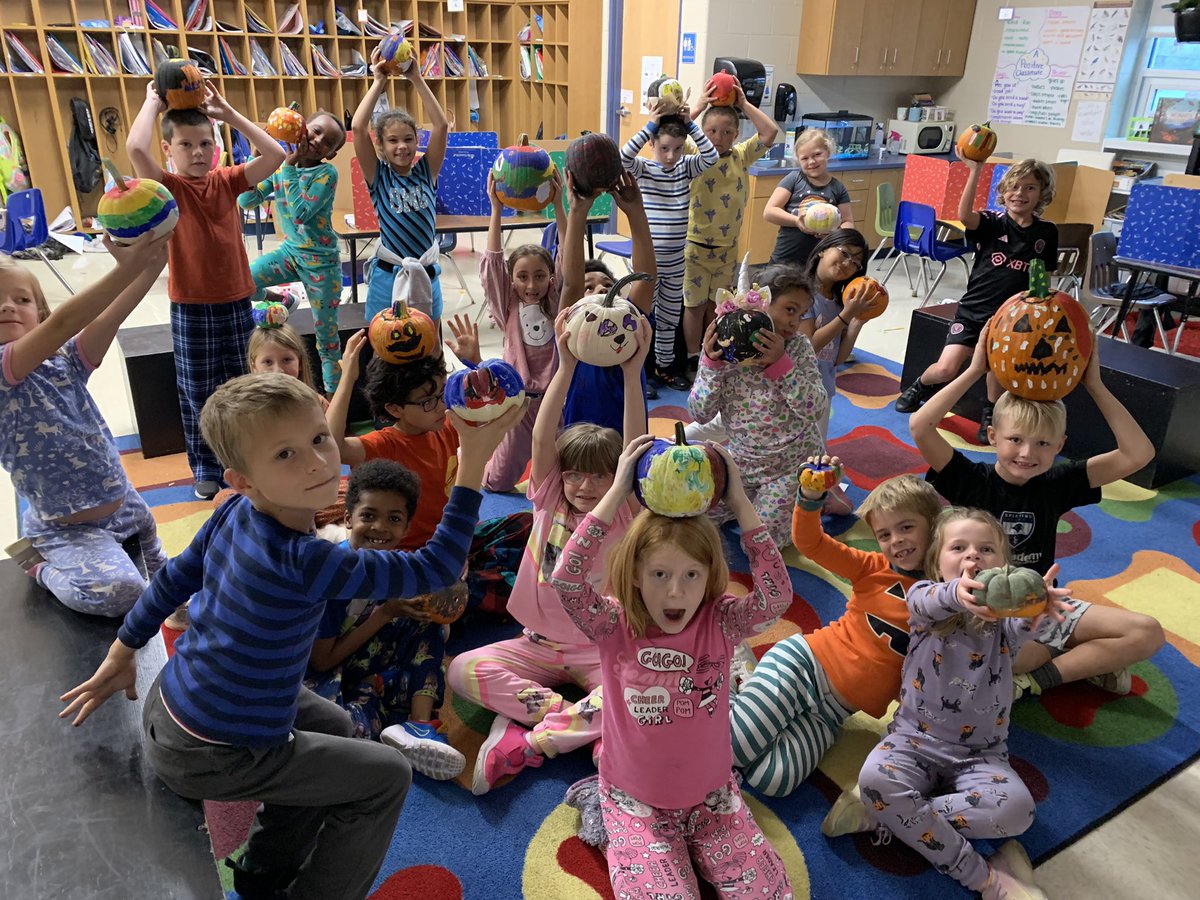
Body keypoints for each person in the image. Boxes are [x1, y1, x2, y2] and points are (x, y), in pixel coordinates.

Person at [60, 372, 524, 900]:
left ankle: (264, 871)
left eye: (319, 439)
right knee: (387, 776)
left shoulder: (234, 511)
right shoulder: (312, 560)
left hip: (172, 707)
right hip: (214, 752)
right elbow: (438, 566)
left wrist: (123, 648)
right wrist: (472, 461)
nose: (316, 462)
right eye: (285, 455)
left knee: (338, 727)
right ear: (243, 480)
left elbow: (173, 578)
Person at [550, 435, 794, 898]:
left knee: (770, 895)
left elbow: (777, 597)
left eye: (691, 576)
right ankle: (600, 806)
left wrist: (740, 501)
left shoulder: (722, 620)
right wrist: (617, 490)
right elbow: (565, 579)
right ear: (637, 576)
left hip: (713, 798)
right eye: (660, 575)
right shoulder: (613, 622)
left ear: (710, 577)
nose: (676, 593)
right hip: (634, 798)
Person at [447, 305, 653, 795]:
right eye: (574, 473)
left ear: (617, 479)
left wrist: (631, 373)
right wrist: (563, 364)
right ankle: (570, 722)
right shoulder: (550, 498)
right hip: (536, 644)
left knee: (639, 690)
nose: (584, 485)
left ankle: (537, 738)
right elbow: (542, 436)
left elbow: (635, 444)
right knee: (461, 669)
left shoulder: (620, 510)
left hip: (597, 647)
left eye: (599, 475)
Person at [827, 507, 1069, 900]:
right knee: (876, 779)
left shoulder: (1002, 621)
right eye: (958, 548)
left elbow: (1022, 627)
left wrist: (1035, 607)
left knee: (1018, 812)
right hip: (911, 741)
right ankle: (986, 878)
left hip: (982, 754)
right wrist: (957, 593)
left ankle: (888, 814)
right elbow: (933, 601)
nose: (973, 556)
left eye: (987, 549)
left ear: (1003, 565)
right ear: (936, 565)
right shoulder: (925, 598)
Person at [910, 333, 1163, 699]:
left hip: (1040, 604)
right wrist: (975, 369)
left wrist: (1095, 385)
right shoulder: (970, 479)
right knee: (981, 653)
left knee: (1147, 632)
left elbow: (1138, 454)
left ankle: (1036, 680)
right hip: (980, 612)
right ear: (993, 436)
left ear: (1059, 445)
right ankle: (1080, 661)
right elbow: (920, 425)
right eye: (1015, 439)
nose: (1027, 453)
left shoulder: (1058, 482)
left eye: (1043, 443)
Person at [731, 468, 942, 797]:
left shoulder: (948, 601)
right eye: (884, 534)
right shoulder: (872, 567)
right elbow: (811, 543)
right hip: (802, 666)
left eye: (906, 527)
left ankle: (748, 685)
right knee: (732, 747)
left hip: (830, 716)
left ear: (934, 525)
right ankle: (734, 683)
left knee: (773, 781)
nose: (895, 540)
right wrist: (810, 499)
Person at [127, 79, 286, 500]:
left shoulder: (227, 181)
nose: (197, 153)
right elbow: (136, 150)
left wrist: (230, 116)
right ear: (169, 150)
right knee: (197, 391)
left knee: (240, 386)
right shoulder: (168, 188)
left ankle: (243, 460)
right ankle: (205, 466)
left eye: (205, 143)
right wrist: (151, 103)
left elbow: (276, 154)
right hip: (191, 308)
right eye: (185, 145)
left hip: (236, 301)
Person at [1, 239, 169, 616]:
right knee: (123, 594)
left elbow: (111, 315)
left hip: (125, 503)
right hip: (67, 529)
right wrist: (125, 268)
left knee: (173, 583)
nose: (7, 306)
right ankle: (41, 568)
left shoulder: (61, 361)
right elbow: (65, 321)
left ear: (39, 314)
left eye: (22, 300)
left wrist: (152, 265)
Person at [307, 459, 466, 780]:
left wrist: (441, 598)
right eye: (368, 515)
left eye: (394, 519)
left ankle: (419, 726)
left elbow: (442, 596)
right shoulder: (333, 575)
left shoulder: (394, 565)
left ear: (406, 528)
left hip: (368, 664)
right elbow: (322, 662)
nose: (380, 527)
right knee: (346, 731)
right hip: (319, 674)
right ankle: (348, 734)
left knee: (426, 616)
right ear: (348, 518)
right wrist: (386, 613)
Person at [894, 156, 1059, 443]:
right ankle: (921, 385)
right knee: (946, 368)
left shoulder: (1046, 232)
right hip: (973, 311)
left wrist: (1040, 310)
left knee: (996, 371)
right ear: (1004, 191)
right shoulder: (992, 223)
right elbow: (965, 214)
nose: (1020, 194)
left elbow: (1044, 277)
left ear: (1042, 194)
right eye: (1014, 187)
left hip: (1010, 319)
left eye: (1030, 188)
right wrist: (976, 170)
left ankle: (990, 415)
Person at [688, 262, 827, 550]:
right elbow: (700, 412)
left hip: (790, 465)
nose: (795, 322)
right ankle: (770, 497)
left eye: (801, 314)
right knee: (693, 516)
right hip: (743, 461)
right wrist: (711, 365)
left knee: (761, 542)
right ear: (760, 305)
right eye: (790, 310)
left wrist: (781, 365)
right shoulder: (725, 347)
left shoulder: (798, 346)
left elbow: (815, 408)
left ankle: (814, 496)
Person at [237, 109, 348, 393]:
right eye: (316, 130)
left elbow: (300, 213)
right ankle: (281, 300)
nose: (317, 140)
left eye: (327, 142)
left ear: (331, 154)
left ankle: (335, 402)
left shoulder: (326, 173)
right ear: (301, 127)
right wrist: (257, 158)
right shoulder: (279, 166)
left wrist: (287, 165)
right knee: (242, 283)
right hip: (290, 253)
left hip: (322, 265)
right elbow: (246, 200)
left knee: (327, 339)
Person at [681, 77, 778, 371]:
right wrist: (699, 106)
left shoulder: (741, 155)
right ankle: (691, 357)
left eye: (726, 132)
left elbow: (770, 132)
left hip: (727, 249)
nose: (718, 137)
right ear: (701, 132)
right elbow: (669, 134)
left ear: (736, 135)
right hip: (695, 247)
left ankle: (714, 352)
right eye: (711, 131)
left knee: (718, 306)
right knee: (694, 306)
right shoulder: (693, 153)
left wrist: (743, 103)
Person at [479, 169, 567, 491]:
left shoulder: (558, 303)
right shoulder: (508, 307)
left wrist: (559, 205)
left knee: (559, 482)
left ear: (551, 278)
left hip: (556, 403)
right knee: (497, 483)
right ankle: (480, 454)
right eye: (523, 276)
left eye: (540, 276)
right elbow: (492, 265)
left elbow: (568, 260)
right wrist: (496, 210)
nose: (532, 285)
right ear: (512, 280)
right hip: (518, 405)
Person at [620, 100, 718, 389]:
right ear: (652, 144)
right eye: (664, 148)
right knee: (641, 318)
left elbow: (710, 156)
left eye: (677, 148)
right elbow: (623, 158)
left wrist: (690, 124)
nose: (671, 155)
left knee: (668, 318)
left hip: (676, 262)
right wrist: (650, 123)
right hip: (646, 264)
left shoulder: (685, 167)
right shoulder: (644, 168)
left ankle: (664, 368)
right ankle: (642, 371)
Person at [352, 48, 449, 327]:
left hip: (427, 272)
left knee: (430, 340)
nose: (402, 146)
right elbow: (359, 128)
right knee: (382, 340)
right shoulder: (379, 176)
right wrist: (378, 81)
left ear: (417, 141)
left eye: (408, 139)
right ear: (380, 146)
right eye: (393, 140)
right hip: (388, 275)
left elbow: (441, 125)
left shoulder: (426, 171)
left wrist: (416, 77)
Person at [559, 171, 657, 427]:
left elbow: (646, 278)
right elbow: (571, 283)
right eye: (588, 288)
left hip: (625, 447)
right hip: (579, 450)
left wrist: (635, 211)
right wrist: (578, 211)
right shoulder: (570, 328)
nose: (601, 290)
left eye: (608, 285)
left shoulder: (629, 323)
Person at [800, 229, 881, 513]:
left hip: (822, 388)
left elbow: (835, 357)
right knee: (736, 426)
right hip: (791, 388)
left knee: (814, 450)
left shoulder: (838, 300)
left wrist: (856, 321)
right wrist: (845, 315)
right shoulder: (803, 293)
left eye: (856, 262)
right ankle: (680, 439)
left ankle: (813, 495)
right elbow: (806, 346)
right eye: (844, 253)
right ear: (824, 248)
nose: (848, 263)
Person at [765, 128, 854, 268]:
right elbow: (769, 212)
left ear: (828, 152)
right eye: (804, 158)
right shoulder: (794, 179)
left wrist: (834, 234)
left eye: (817, 154)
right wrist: (797, 221)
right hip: (784, 259)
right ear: (798, 160)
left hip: (819, 263)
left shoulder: (838, 188)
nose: (811, 161)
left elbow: (847, 221)